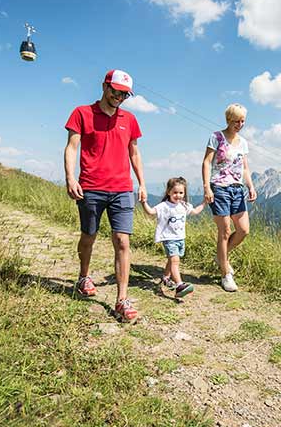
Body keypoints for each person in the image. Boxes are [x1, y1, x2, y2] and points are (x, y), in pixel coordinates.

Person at [64, 69, 147, 323]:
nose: (119, 97)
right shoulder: (81, 113)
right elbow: (72, 147)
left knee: (122, 241)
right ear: (104, 86)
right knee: (88, 236)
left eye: (124, 94)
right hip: (91, 187)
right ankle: (83, 276)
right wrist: (70, 178)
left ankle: (122, 300)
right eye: (116, 92)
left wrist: (142, 183)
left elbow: (134, 153)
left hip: (122, 189)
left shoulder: (129, 119)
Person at [202, 103, 257, 292]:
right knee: (224, 232)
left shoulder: (243, 142)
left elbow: (244, 168)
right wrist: (207, 187)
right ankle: (225, 274)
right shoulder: (216, 137)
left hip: (237, 189)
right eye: (236, 121)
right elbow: (207, 162)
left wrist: (250, 186)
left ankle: (221, 257)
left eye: (242, 121)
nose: (240, 125)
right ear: (228, 120)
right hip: (219, 188)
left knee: (243, 230)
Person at [141, 177, 205, 299]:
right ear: (168, 192)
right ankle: (179, 285)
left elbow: (195, 211)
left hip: (180, 238)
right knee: (175, 261)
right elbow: (151, 212)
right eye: (175, 192)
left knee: (172, 260)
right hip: (169, 238)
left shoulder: (184, 205)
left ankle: (166, 277)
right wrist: (144, 202)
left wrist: (204, 202)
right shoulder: (164, 206)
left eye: (181, 192)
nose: (178, 195)